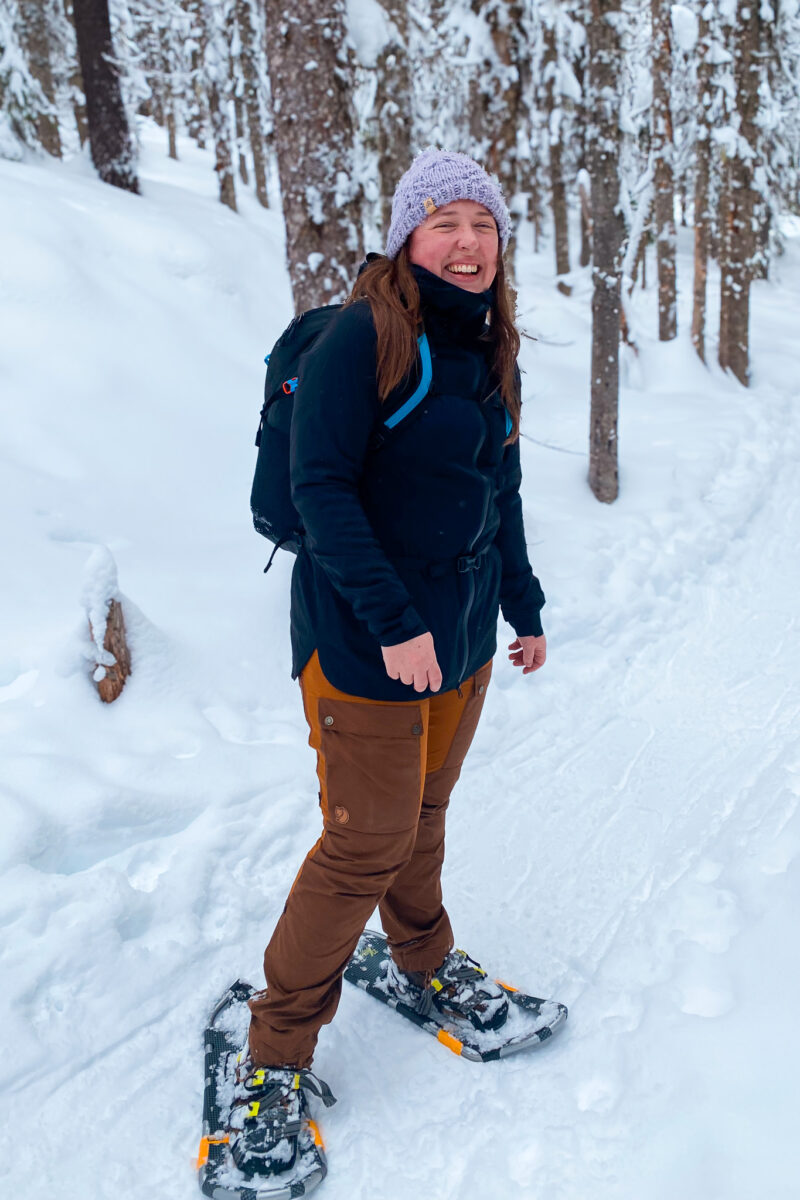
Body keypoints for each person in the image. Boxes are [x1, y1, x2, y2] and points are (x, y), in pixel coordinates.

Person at [238, 148, 547, 1179]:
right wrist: (392, 620)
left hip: (458, 642)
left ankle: (422, 958)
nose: (466, 243)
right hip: (364, 642)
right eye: (443, 222)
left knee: (421, 816)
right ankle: (274, 1055)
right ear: (407, 236)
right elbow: (317, 489)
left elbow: (495, 490)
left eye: (483, 225)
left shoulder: (489, 347)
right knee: (360, 844)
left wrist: (522, 603)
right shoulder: (368, 336)